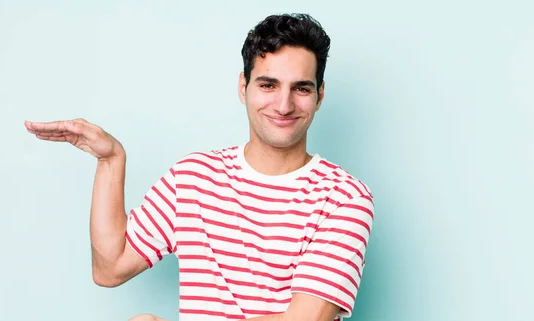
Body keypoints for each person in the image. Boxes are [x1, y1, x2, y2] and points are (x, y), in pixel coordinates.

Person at [25, 13, 374, 321]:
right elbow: (109, 268)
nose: (283, 105)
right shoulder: (193, 178)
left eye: (300, 88)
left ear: (319, 95)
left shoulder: (344, 198)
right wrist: (111, 160)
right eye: (268, 85)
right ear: (244, 87)